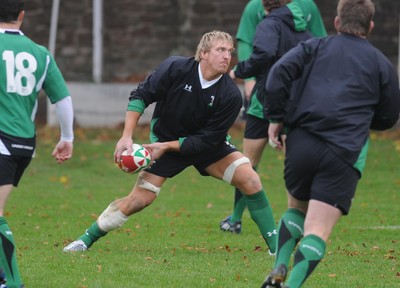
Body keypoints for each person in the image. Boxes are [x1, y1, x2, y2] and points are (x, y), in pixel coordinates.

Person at [63, 30, 278, 255]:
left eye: (230, 51)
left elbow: (208, 139)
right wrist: (126, 136)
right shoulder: (175, 68)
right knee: (138, 200)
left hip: (206, 147)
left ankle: (276, 248)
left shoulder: (230, 94)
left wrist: (165, 147)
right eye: (221, 50)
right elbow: (141, 95)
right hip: (164, 144)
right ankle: (85, 240)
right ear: (203, 53)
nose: (227, 56)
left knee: (250, 179)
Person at [260, 0, 400, 287]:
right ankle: (291, 285)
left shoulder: (314, 47)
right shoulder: (381, 64)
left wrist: (276, 118)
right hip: (343, 151)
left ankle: (278, 268)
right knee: (317, 229)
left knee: (296, 208)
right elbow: (389, 116)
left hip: (301, 143)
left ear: (337, 22)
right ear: (370, 27)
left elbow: (277, 74)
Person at [221, 0, 320, 234]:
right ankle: (298, 224)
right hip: (295, 103)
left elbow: (263, 54)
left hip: (264, 102)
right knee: (294, 167)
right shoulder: (304, 26)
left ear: (263, 7)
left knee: (247, 162)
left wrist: (240, 71)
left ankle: (235, 220)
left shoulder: (268, 23)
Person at [0, 0, 75, 287]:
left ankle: (13, 282)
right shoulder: (41, 54)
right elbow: (63, 100)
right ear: (21, 15)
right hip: (23, 144)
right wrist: (66, 138)